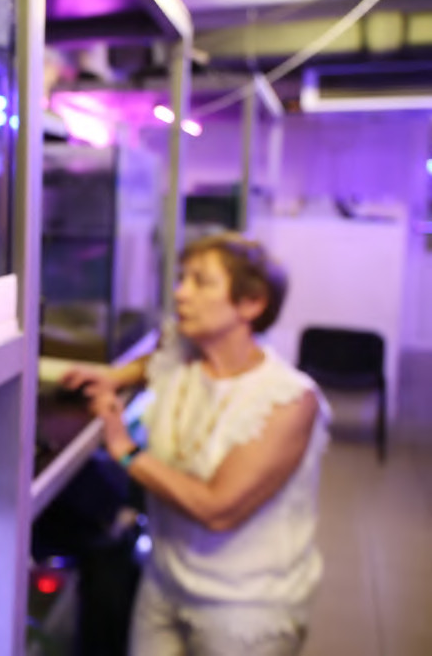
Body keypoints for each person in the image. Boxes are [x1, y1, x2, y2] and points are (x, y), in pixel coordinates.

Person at [62, 232, 330, 656]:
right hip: (163, 585)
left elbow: (217, 509)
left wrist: (126, 451)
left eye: (200, 282)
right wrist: (115, 377)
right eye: (182, 278)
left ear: (252, 303)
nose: (180, 293)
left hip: (243, 612)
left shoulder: (288, 401)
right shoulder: (186, 356)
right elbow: (159, 357)